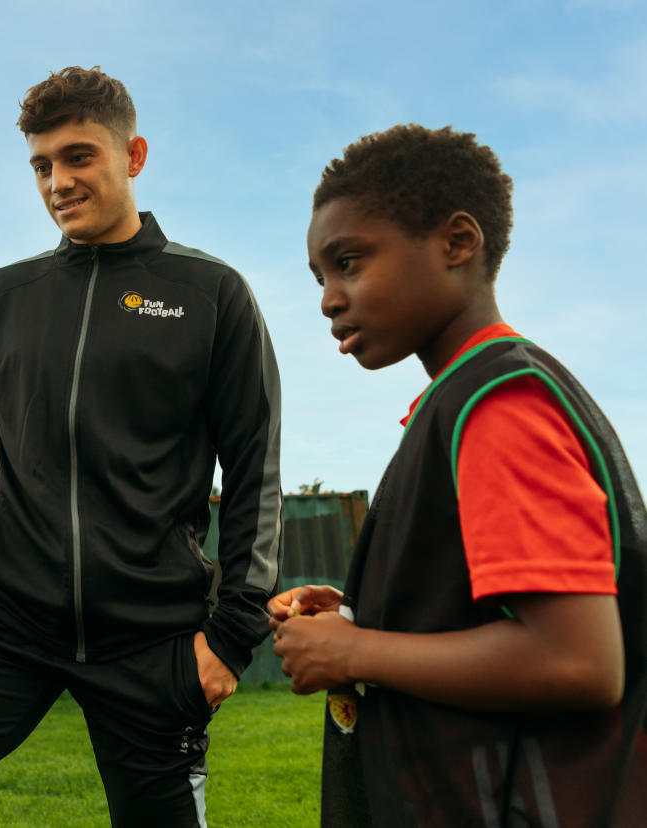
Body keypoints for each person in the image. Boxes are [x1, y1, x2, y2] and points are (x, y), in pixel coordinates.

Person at [0, 66, 282, 828]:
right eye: (41, 165)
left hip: (150, 638)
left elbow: (256, 468)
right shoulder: (5, 294)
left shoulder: (211, 293)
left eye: (78, 157)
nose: (58, 182)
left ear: (132, 156)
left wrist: (230, 638)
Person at [271, 124, 647, 826]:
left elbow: (578, 662)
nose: (328, 298)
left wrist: (359, 649)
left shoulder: (498, 405)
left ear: (457, 242)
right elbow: (487, 617)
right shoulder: (461, 401)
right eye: (320, 277)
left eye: (348, 261)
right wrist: (361, 618)